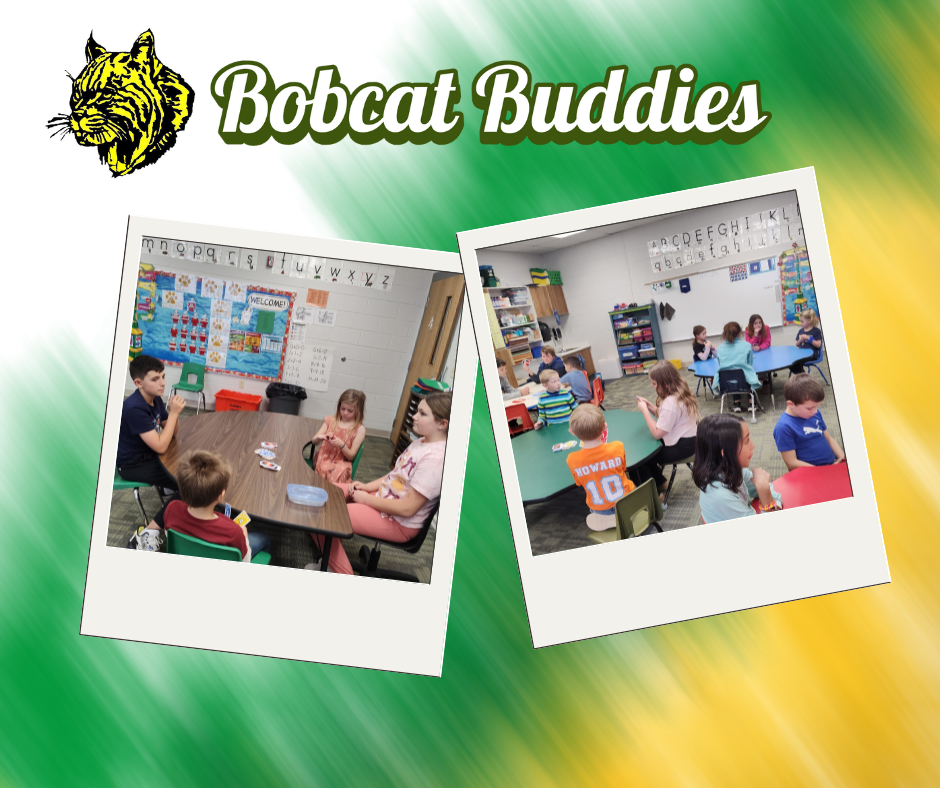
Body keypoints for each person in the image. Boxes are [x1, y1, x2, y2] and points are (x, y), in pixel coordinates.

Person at [307, 391, 450, 574]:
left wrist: (365, 499)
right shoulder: (422, 442)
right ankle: (330, 557)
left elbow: (407, 509)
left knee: (324, 517)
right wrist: (366, 487)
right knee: (322, 494)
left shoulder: (435, 459)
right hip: (384, 499)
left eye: (422, 414)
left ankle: (342, 574)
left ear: (442, 423)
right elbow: (395, 476)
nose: (414, 416)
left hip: (399, 522)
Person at [119, 355, 187, 551]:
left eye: (163, 377)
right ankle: (146, 536)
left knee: (186, 467)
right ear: (138, 383)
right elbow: (161, 446)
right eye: (155, 379)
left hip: (148, 454)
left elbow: (172, 433)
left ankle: (168, 487)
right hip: (132, 464)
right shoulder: (134, 408)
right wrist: (173, 413)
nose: (163, 383)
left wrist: (173, 414)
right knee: (190, 487)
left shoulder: (155, 399)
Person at [158, 450, 271, 561]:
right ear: (220, 495)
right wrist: (245, 538)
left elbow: (169, 534)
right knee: (264, 538)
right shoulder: (233, 531)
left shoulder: (171, 508)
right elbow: (245, 560)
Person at [693, 413, 783, 524]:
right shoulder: (721, 496)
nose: (753, 445)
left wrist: (770, 498)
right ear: (725, 454)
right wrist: (765, 492)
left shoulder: (733, 470)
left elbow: (775, 495)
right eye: (747, 441)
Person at [635, 360, 700, 498]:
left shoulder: (671, 403)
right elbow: (667, 416)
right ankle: (660, 482)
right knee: (648, 451)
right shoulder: (678, 393)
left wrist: (644, 411)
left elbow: (658, 433)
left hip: (681, 447)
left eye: (654, 383)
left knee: (641, 457)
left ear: (665, 384)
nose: (652, 386)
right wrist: (650, 407)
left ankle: (654, 495)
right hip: (689, 441)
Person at [566, 405, 635, 531]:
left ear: (572, 432)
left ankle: (609, 520)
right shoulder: (617, 446)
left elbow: (579, 482)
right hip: (626, 502)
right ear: (605, 427)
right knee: (631, 485)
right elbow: (623, 468)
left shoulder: (572, 459)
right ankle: (624, 516)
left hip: (600, 510)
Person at [773, 373, 845, 470]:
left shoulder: (815, 413)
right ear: (791, 404)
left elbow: (828, 438)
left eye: (817, 406)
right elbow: (791, 462)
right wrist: (823, 471)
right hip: (811, 472)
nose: (815, 411)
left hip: (831, 465)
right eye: (810, 408)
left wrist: (842, 458)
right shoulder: (783, 427)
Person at [310, 390, 367, 484]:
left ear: (358, 411)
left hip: (342, 460)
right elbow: (314, 441)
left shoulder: (359, 429)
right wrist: (321, 437)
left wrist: (342, 445)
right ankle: (321, 491)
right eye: (342, 408)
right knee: (325, 468)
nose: (345, 413)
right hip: (324, 456)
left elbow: (351, 456)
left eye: (350, 411)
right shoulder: (330, 420)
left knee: (340, 471)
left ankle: (333, 495)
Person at [713, 321, 760, 412]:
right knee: (747, 373)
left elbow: (720, 363)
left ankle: (736, 403)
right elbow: (750, 362)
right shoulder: (746, 345)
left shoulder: (720, 348)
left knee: (731, 372)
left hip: (726, 382)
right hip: (743, 379)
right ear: (739, 333)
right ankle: (751, 403)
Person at [745, 314, 773, 390]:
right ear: (751, 324)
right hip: (754, 352)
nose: (758, 325)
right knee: (755, 363)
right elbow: (748, 343)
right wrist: (755, 335)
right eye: (755, 323)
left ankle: (765, 380)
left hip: (764, 350)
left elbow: (767, 341)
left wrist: (760, 348)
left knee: (765, 362)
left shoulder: (766, 328)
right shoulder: (747, 330)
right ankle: (753, 380)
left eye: (760, 322)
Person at [790, 308, 822, 374]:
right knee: (790, 361)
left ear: (809, 320)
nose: (800, 323)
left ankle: (803, 378)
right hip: (801, 354)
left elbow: (818, 345)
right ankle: (803, 376)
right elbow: (797, 344)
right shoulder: (801, 331)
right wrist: (800, 340)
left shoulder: (816, 331)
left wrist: (808, 338)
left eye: (802, 321)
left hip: (811, 355)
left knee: (797, 362)